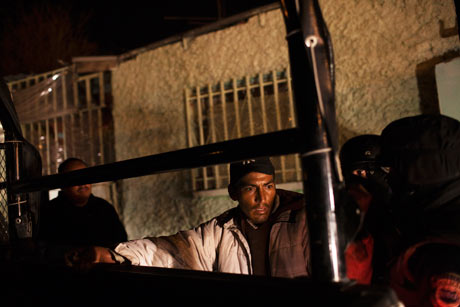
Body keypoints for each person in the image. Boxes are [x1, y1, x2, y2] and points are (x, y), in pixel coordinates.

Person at [66, 157, 311, 278]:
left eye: (268, 186)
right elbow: (168, 250)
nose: (262, 197)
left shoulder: (301, 219)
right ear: (233, 193)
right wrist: (111, 255)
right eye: (250, 188)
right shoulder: (222, 229)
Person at [379, 114, 460, 307]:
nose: (388, 180)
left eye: (392, 170)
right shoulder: (438, 223)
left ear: (420, 173)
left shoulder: (443, 255)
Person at [39, 158, 128, 262]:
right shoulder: (50, 211)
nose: (82, 184)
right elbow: (44, 251)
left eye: (85, 177)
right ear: (62, 184)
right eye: (74, 179)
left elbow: (121, 244)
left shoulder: (104, 208)